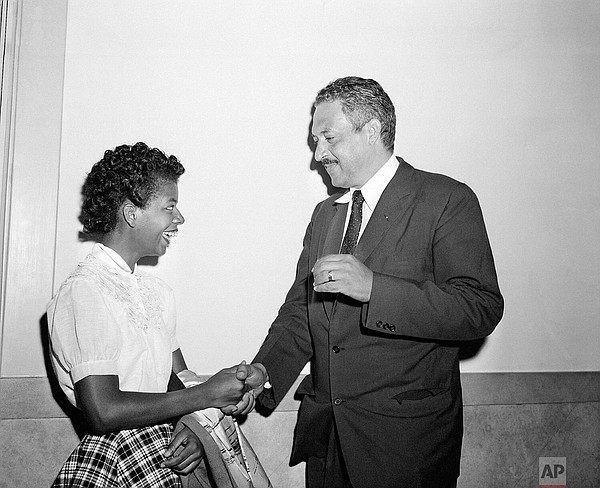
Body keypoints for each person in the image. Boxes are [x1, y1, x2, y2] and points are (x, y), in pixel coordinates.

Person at [246, 77, 504, 487]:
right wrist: (264, 371)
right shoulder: (325, 215)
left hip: (406, 445)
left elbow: (480, 307)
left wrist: (374, 290)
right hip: (329, 443)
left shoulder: (445, 199)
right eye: (315, 140)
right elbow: (302, 311)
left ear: (371, 131)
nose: (318, 154)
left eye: (328, 137)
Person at [47, 142, 258, 487]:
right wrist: (207, 395)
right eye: (169, 207)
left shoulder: (158, 293)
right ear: (132, 213)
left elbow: (176, 383)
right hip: (116, 458)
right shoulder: (84, 291)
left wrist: (193, 423)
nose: (179, 218)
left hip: (160, 454)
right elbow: (103, 411)